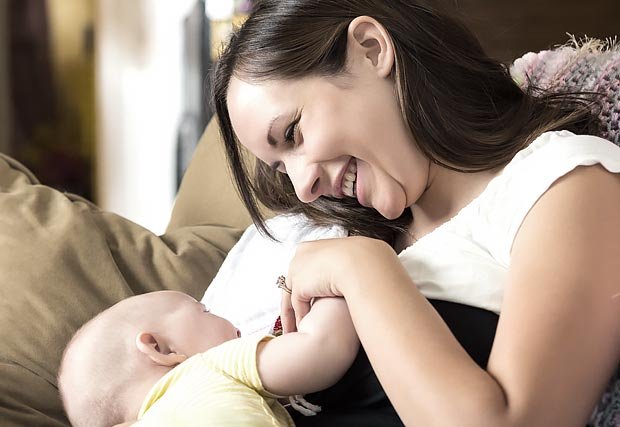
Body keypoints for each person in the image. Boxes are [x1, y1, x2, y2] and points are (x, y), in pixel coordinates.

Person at [213, 0, 620, 425]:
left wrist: (361, 269)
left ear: (372, 50)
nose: (303, 188)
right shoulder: (351, 234)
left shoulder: (563, 181)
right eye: (282, 168)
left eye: (293, 133)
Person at [57, 290, 359, 426]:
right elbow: (322, 349)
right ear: (160, 349)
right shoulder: (210, 366)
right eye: (206, 310)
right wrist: (328, 291)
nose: (226, 317)